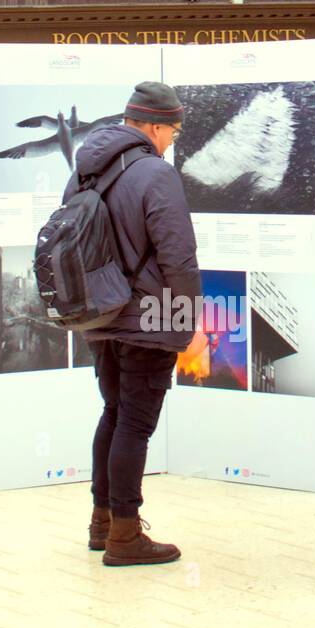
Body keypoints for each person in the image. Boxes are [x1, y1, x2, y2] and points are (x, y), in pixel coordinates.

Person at [70, 82, 201, 566]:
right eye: (171, 130)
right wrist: (187, 320)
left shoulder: (84, 171)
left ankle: (101, 522)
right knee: (136, 424)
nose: (171, 140)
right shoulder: (155, 173)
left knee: (114, 414)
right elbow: (178, 255)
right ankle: (126, 536)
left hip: (99, 312)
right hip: (148, 314)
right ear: (151, 125)